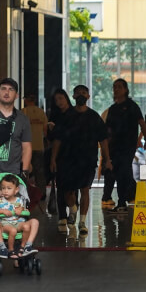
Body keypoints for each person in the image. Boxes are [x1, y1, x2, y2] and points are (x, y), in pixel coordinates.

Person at [51, 85, 110, 236]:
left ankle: (82, 222)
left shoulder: (94, 117)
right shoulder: (66, 116)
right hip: (67, 159)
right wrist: (53, 159)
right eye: (78, 93)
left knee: (85, 190)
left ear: (89, 96)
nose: (81, 95)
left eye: (84, 93)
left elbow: (103, 140)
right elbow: (57, 139)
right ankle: (73, 209)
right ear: (73, 96)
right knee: (67, 191)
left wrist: (107, 159)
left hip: (88, 159)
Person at [104, 78, 146, 214]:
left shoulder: (132, 106)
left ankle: (123, 201)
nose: (116, 89)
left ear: (125, 90)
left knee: (124, 171)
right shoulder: (112, 109)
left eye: (119, 87)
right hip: (114, 147)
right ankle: (128, 199)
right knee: (119, 173)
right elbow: (108, 130)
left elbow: (142, 123)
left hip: (127, 146)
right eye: (114, 87)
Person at [0, 174, 39, 259]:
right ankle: (4, 248)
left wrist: (21, 210)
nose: (5, 191)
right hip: (5, 225)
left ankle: (26, 247)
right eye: (3, 188)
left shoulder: (19, 200)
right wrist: (2, 211)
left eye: (9, 188)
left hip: (18, 223)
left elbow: (23, 210)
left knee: (34, 222)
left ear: (16, 190)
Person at [48, 89, 77, 231]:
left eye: (61, 98)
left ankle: (72, 210)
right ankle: (62, 216)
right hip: (61, 155)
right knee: (60, 186)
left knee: (71, 186)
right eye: (56, 100)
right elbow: (54, 139)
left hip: (74, 154)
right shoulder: (56, 115)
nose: (59, 102)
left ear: (66, 98)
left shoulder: (75, 114)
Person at [21, 93, 48, 197]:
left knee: (25, 172)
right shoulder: (41, 112)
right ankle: (42, 194)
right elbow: (45, 130)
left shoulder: (23, 112)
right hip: (39, 146)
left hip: (26, 148)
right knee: (39, 172)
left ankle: (25, 193)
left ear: (26, 100)